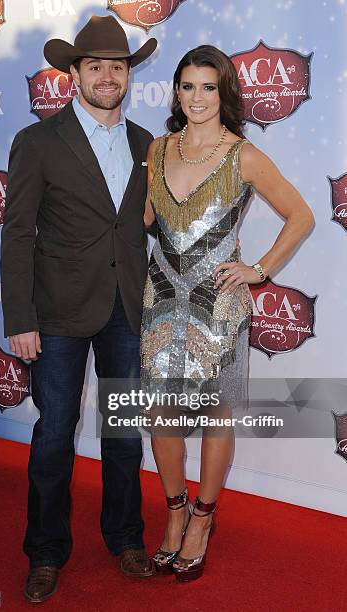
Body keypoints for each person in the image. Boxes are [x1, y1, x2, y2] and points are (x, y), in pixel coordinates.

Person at [141, 45, 314, 582]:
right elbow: (149, 219)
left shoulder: (244, 156)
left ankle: (202, 520)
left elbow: (301, 215)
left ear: (225, 93)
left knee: (218, 417)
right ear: (176, 91)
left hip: (220, 309)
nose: (196, 97)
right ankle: (173, 512)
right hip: (160, 300)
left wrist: (258, 269)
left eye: (208, 87)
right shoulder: (156, 149)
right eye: (187, 86)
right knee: (160, 415)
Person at [0, 16, 157, 603]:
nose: (108, 76)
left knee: (123, 433)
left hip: (127, 310)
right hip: (58, 312)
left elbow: (149, 230)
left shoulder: (148, 145)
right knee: (54, 434)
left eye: (118, 66)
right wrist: (19, 318)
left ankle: (125, 537)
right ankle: (45, 551)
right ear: (74, 75)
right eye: (95, 66)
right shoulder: (37, 141)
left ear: (128, 75)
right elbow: (17, 234)